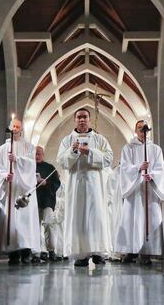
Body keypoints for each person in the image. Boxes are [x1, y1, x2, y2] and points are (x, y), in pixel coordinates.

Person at [57, 108, 113, 267]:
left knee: (96, 217)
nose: (82, 120)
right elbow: (61, 162)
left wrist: (90, 152)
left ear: (89, 119)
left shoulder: (100, 139)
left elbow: (109, 159)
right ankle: (80, 254)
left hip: (95, 184)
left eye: (85, 117)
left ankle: (97, 252)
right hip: (75, 184)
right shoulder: (67, 141)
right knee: (78, 218)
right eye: (79, 117)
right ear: (74, 119)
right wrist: (73, 151)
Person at [114, 120, 164, 265]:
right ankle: (131, 251)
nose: (142, 131)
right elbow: (124, 168)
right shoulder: (128, 148)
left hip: (149, 190)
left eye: (145, 129)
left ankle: (146, 252)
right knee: (131, 220)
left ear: (148, 131)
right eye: (139, 128)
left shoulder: (155, 149)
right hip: (134, 191)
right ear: (135, 130)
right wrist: (138, 169)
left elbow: (160, 169)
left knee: (149, 220)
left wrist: (152, 175)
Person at [0, 118, 41, 265]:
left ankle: (26, 253)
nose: (15, 129)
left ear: (21, 129)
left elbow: (32, 166)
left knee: (25, 220)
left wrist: (18, 159)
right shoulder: (1, 149)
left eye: (17, 126)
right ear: (9, 128)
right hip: (10, 189)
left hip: (23, 189)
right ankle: (12, 253)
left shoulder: (29, 147)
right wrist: (4, 176)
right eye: (12, 126)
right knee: (11, 220)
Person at [35, 146, 62, 262]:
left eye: (39, 154)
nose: (37, 156)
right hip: (33, 201)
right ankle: (37, 252)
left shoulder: (50, 168)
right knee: (34, 227)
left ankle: (51, 250)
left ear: (43, 155)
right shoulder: (29, 167)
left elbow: (56, 184)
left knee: (48, 225)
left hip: (47, 200)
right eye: (35, 154)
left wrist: (46, 183)